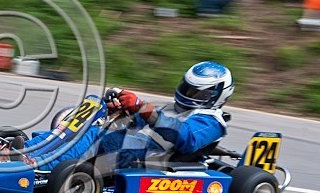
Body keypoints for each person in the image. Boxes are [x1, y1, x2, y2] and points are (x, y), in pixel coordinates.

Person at [97, 61, 234, 169]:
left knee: (99, 139)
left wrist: (144, 108)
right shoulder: (173, 107)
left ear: (217, 96)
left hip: (151, 158)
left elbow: (185, 138)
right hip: (134, 145)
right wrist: (122, 112)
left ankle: (78, 167)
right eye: (187, 88)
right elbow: (143, 123)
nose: (188, 94)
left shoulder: (211, 121)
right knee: (94, 116)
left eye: (196, 93)